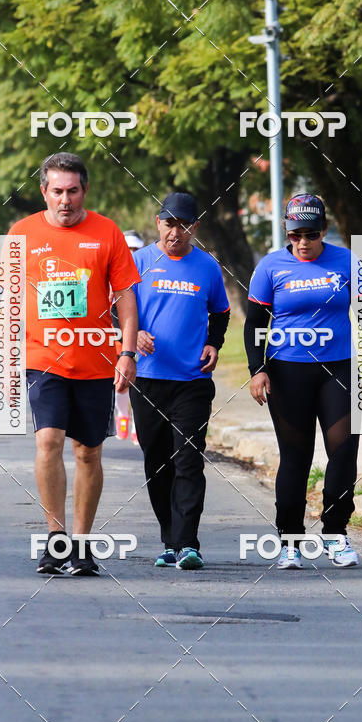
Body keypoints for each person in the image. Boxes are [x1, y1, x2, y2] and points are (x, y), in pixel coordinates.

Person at [244, 193, 362, 570]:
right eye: (295, 235)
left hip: (339, 370)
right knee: (296, 457)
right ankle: (290, 540)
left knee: (344, 452)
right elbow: (255, 324)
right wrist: (257, 370)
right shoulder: (270, 266)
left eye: (311, 234)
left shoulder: (347, 261)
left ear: (324, 230)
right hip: (287, 371)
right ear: (287, 232)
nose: (303, 242)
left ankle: (335, 534)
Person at [7, 152, 140, 577]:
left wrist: (127, 352)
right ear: (43, 191)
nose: (65, 200)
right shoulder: (21, 232)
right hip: (43, 358)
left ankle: (81, 544)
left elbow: (126, 297)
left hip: (95, 359)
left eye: (73, 191)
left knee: (88, 451)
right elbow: (8, 301)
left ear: (85, 190)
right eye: (57, 191)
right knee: (48, 441)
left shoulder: (107, 231)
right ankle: (56, 537)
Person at [131, 192, 230, 570]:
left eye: (184, 225)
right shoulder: (139, 262)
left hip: (192, 380)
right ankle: (169, 540)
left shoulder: (207, 266)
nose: (176, 232)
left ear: (195, 228)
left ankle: (188, 543)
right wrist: (134, 333)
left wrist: (213, 343)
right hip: (148, 380)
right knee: (157, 463)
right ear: (158, 223)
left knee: (188, 460)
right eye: (169, 223)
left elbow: (221, 313)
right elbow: (118, 309)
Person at [113, 230, 145, 444]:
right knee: (121, 379)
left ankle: (137, 425)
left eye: (135, 248)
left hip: (144, 333)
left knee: (140, 379)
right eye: (128, 248)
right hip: (119, 332)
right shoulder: (114, 268)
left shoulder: (148, 269)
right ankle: (123, 416)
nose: (132, 252)